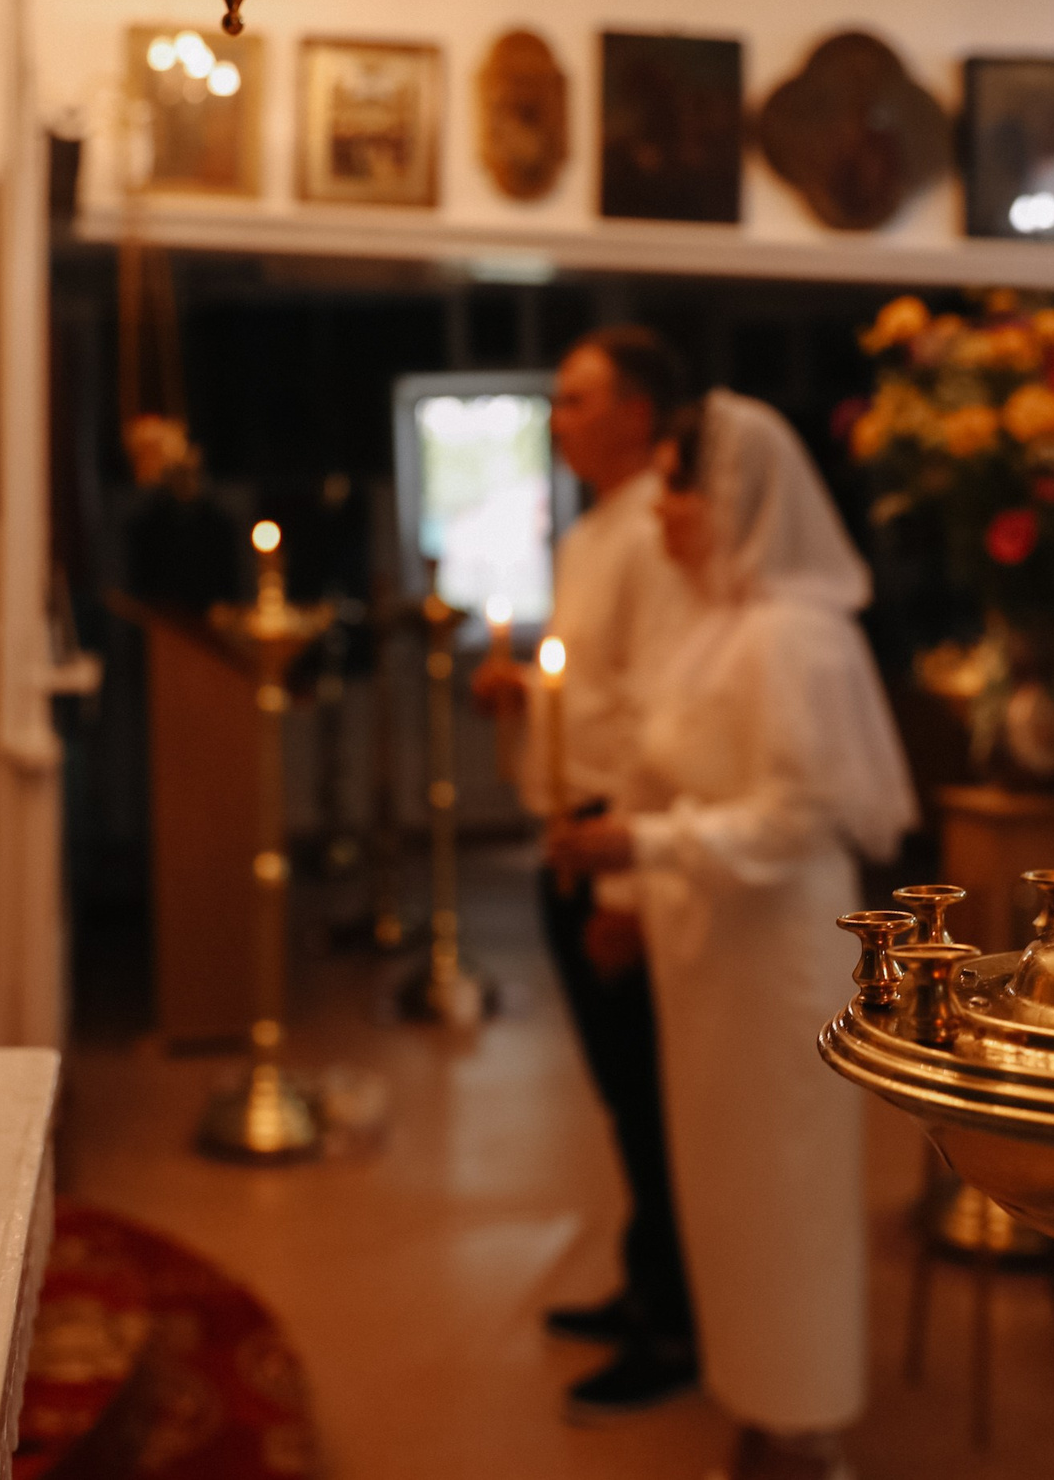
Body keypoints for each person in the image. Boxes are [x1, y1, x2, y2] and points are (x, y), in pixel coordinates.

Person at [549, 390, 918, 1480]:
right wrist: (630, 892)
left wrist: (644, 853)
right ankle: (757, 1394)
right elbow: (675, 774)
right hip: (711, 945)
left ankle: (805, 1422)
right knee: (724, 1188)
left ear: (737, 497)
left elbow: (800, 816)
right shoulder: (716, 622)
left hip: (777, 952)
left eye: (677, 484)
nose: (659, 509)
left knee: (784, 1189)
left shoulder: (795, 637)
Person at [470, 325, 699, 1417]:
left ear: (639, 413)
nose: (555, 419)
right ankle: (645, 1278)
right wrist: (529, 698)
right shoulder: (598, 528)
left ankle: (677, 1320)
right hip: (579, 830)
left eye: (575, 400)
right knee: (621, 1095)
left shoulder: (661, 529)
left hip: (623, 845)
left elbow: (662, 717)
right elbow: (599, 691)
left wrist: (628, 891)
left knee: (651, 1096)